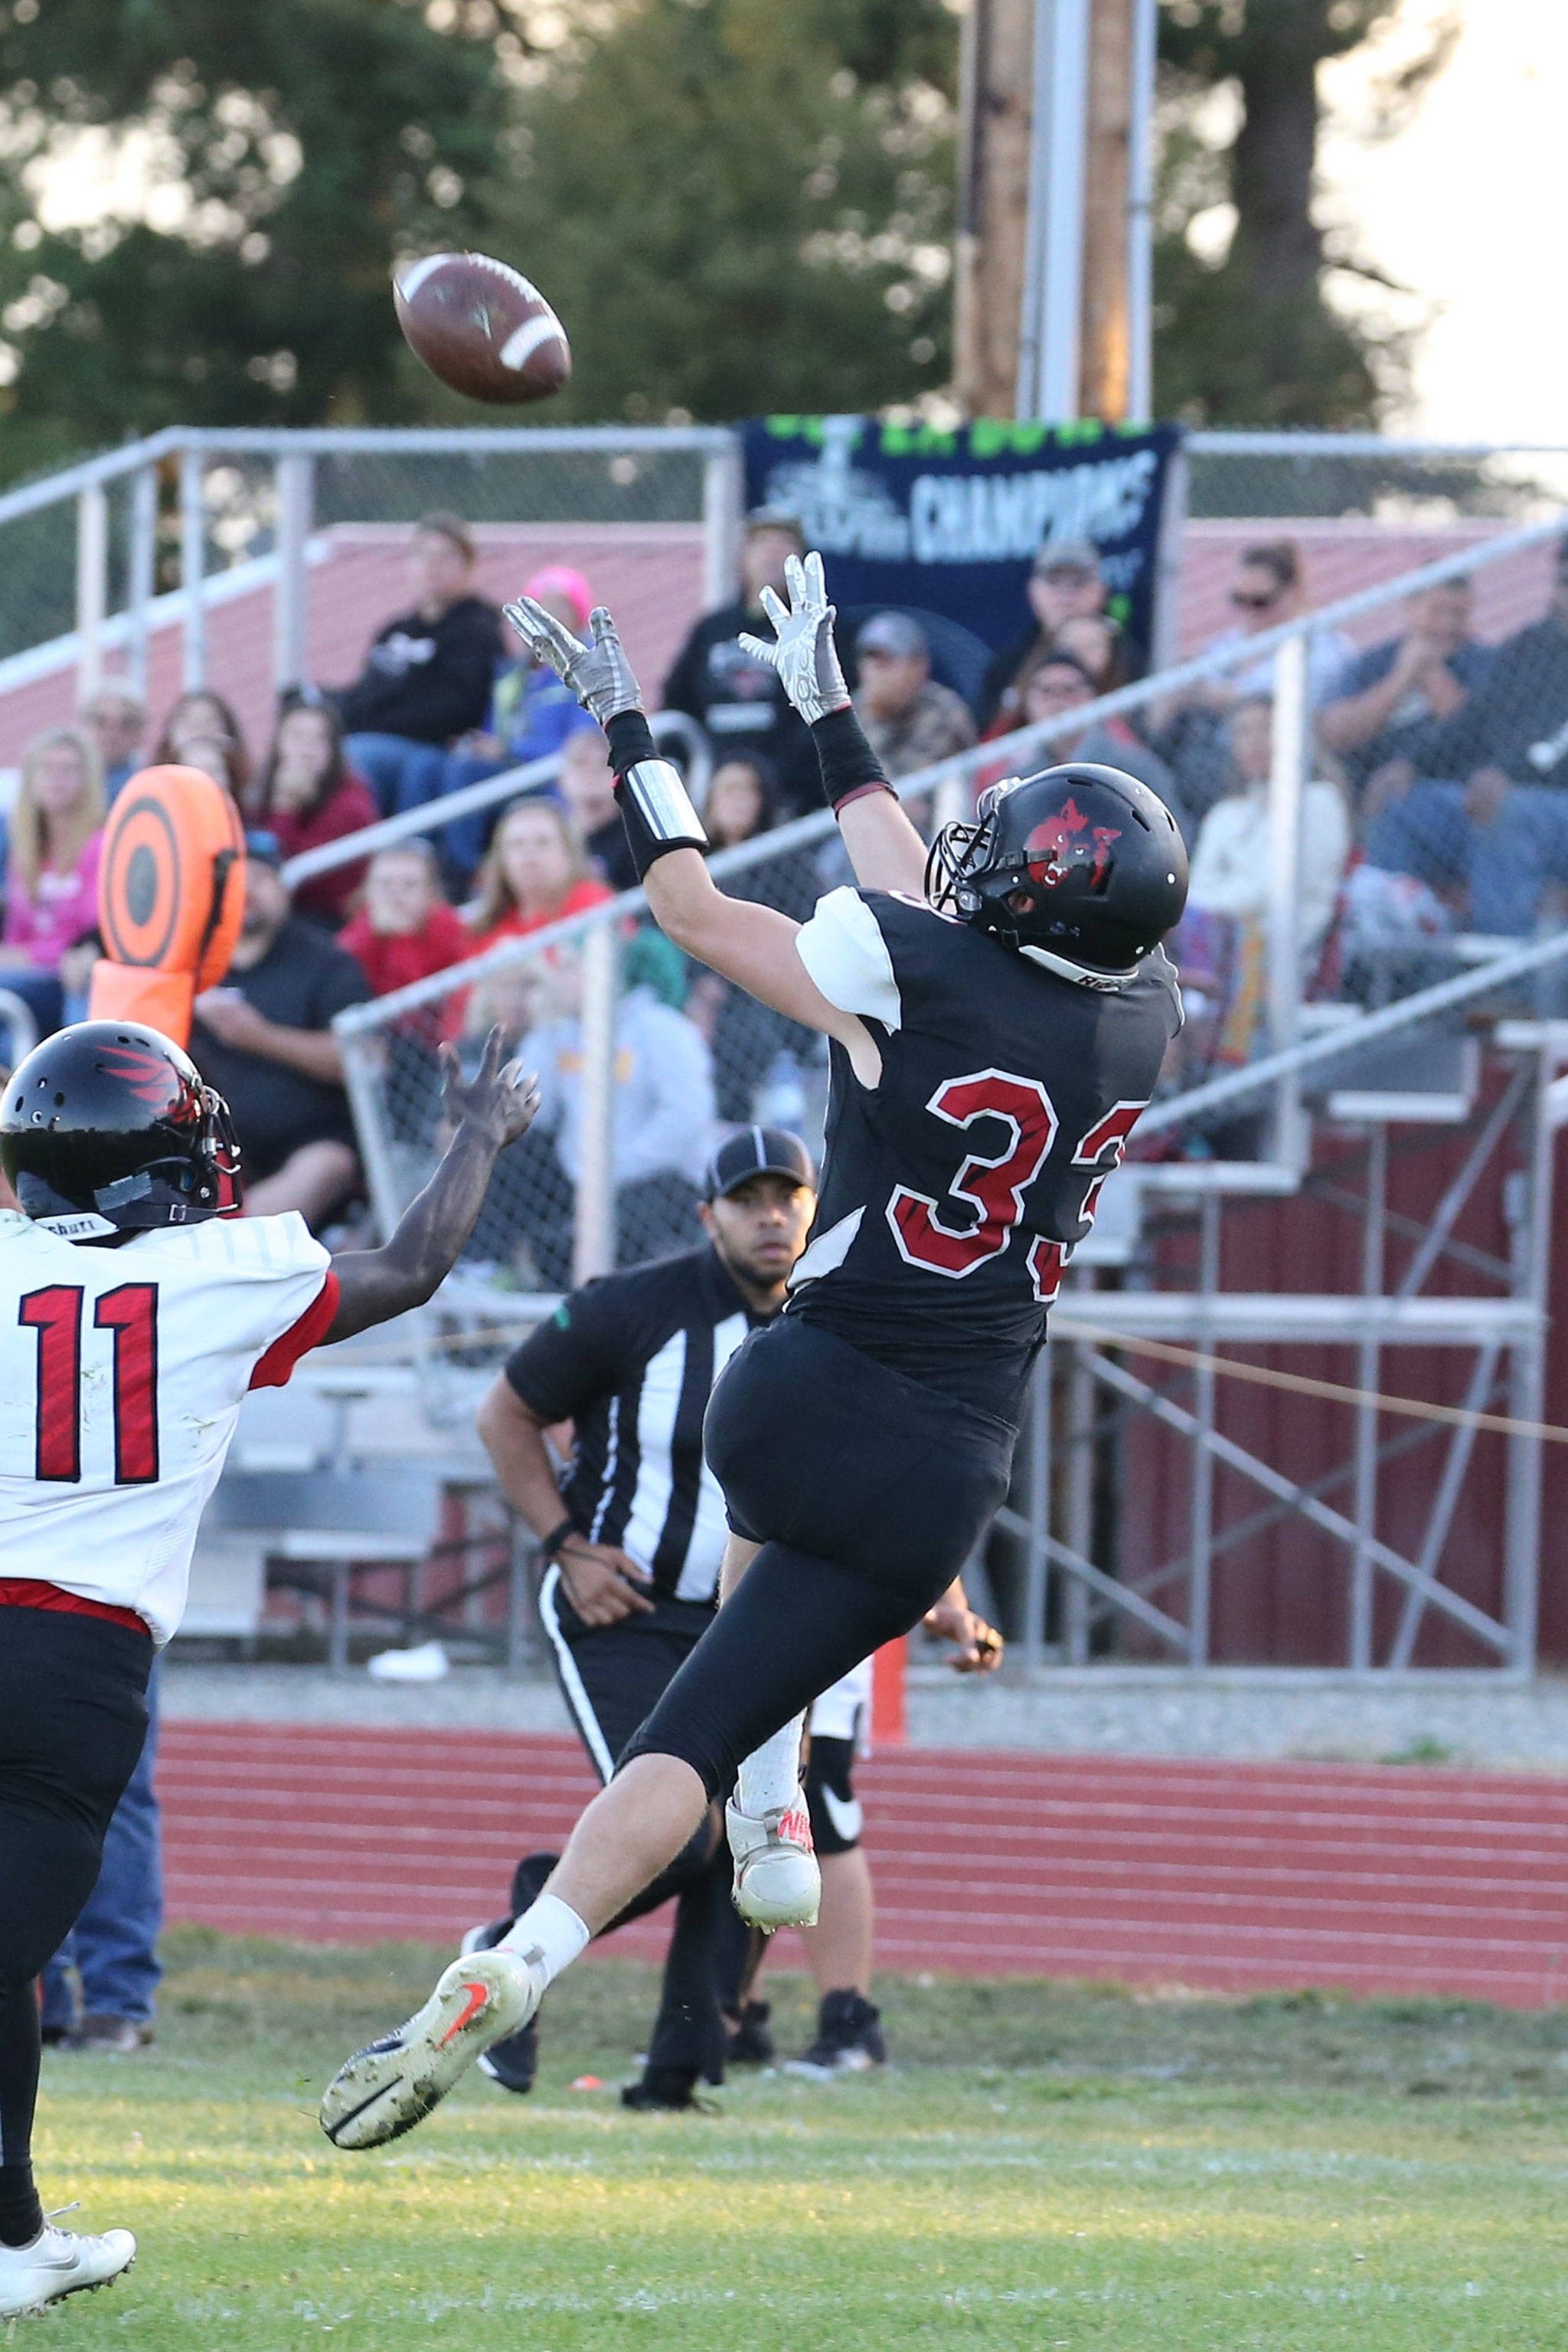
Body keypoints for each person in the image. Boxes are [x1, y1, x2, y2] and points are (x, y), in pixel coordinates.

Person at [321, 550, 1186, 2151]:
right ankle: (685, 1853)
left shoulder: (910, 968)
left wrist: (632, 722)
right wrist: (833, 723)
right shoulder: (1148, 1023)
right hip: (946, 1465)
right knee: (741, 1701)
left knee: (700, 1689)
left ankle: (582, 1915)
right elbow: (948, 907)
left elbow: (691, 903)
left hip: (791, 1395)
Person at [0, 1012, 539, 2313]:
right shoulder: (226, 1274)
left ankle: (13, 2239)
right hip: (78, 1658)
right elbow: (411, 1264)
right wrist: (475, 1132)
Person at [1358, 541, 1568, 936]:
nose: (1564, 594)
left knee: (1510, 810)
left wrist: (1510, 775)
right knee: (1401, 804)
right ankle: (1392, 965)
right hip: (1509, 796)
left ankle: (1504, 983)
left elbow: (1559, 742)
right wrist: (1410, 765)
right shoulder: (1529, 645)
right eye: (1562, 581)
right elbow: (1472, 719)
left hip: (1547, 807)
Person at [478, 943, 717, 1282]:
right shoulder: (561, 1032)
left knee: (630, 1215)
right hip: (584, 1177)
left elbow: (687, 1119)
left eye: (569, 967)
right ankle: (489, 1265)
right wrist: (543, 1033)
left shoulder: (661, 1028)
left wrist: (615, 1168)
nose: (556, 979)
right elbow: (530, 1111)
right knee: (506, 1151)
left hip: (657, 1178)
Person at [190, 835, 371, 1227]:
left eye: (261, 878)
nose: (249, 890)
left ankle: (231, 1250)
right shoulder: (193, 965)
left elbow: (361, 1057)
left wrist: (259, 1037)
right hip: (213, 1139)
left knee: (326, 1165)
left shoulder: (326, 961)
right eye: (237, 880)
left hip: (312, 1138)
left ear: (283, 887)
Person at [436, 564, 601, 880]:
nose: (550, 617)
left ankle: (462, 873)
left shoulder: (587, 666)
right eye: (542, 608)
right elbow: (492, 733)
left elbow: (584, 745)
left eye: (560, 607)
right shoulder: (515, 675)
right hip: (512, 773)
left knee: (466, 772)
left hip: (552, 779)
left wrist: (510, 750)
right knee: (439, 766)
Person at [337, 511, 504, 820]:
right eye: (424, 556)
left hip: (433, 749)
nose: (433, 566)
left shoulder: (478, 632)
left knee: (357, 757)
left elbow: (457, 709)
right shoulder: (395, 630)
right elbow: (364, 691)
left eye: (446, 557)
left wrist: (379, 717)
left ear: (468, 566)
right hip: (373, 735)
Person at [663, 509, 823, 814]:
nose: (772, 554)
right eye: (762, 543)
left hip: (790, 796)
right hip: (712, 789)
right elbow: (677, 702)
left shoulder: (816, 630)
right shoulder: (712, 629)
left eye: (784, 545)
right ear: (743, 556)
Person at [41, 1674, 162, 2053]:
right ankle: (112, 2007)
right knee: (116, 1787)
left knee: (20, 1788)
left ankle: (46, 1999)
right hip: (116, 1625)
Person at [1318, 577, 1493, 799]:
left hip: (1454, 789)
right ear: (1411, 606)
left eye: (1458, 614)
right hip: (1370, 789)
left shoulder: (1483, 662)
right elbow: (1337, 735)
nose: (1447, 625)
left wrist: (1432, 673)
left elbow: (1476, 737)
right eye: (1436, 611)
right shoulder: (1375, 662)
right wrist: (1402, 677)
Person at [990, 650, 1189, 838]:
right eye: (1047, 692)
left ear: (1092, 697)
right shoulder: (1018, 782)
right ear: (1028, 702)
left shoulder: (1134, 768)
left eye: (1069, 690)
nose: (1057, 703)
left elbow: (1174, 836)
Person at [0, 724, 107, 1038]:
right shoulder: (26, 850)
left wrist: (28, 955)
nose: (57, 779)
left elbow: (91, 932)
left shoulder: (100, 845)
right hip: (27, 976)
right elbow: (17, 933)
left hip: (72, 979)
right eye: (47, 769)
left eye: (69, 770)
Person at [250, 700, 378, 930]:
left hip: (323, 919)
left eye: (319, 739)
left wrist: (285, 808)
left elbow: (297, 874)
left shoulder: (352, 802)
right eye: (297, 737)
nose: (306, 749)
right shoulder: (261, 790)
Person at [978, 537, 1116, 734]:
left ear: (1100, 590)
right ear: (1033, 591)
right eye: (1054, 581)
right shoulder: (1008, 666)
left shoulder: (1126, 656)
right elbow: (989, 746)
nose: (1066, 593)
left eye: (1078, 582)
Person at [466, 799, 614, 957]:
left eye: (543, 842)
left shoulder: (594, 902)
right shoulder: (484, 930)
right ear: (501, 860)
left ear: (568, 853)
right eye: (517, 844)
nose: (529, 854)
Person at [851, 612, 976, 780]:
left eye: (887, 662)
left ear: (918, 666)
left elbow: (969, 777)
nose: (876, 672)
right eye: (872, 662)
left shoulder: (943, 710)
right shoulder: (847, 717)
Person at [558, 726, 639, 894]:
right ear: (563, 778)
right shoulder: (552, 839)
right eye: (581, 763)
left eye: (603, 765)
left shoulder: (638, 837)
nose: (591, 774)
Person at [152, 689, 252, 802]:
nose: (199, 731)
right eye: (189, 723)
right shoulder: (151, 798)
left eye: (209, 722)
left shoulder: (253, 801)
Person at [80, 684, 146, 802]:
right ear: (84, 726)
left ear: (141, 732)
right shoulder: (60, 784)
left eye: (126, 724)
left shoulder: (148, 788)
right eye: (101, 722)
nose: (112, 733)